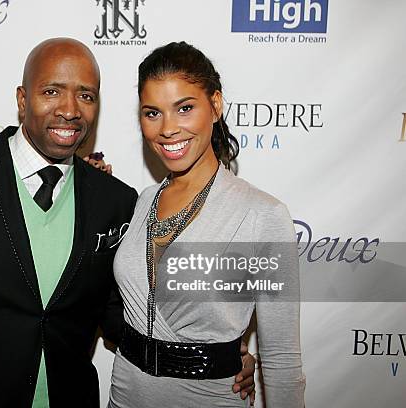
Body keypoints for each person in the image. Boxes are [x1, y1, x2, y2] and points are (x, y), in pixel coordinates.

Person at [0, 38, 255, 408]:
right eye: (51, 91)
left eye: (86, 96)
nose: (70, 109)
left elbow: (121, 316)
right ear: (23, 99)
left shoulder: (116, 201)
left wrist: (212, 359)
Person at [109, 42, 306, 407]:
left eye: (184, 108)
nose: (168, 129)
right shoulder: (143, 202)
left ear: (215, 105)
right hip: (126, 394)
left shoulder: (262, 215)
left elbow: (281, 358)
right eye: (152, 113)